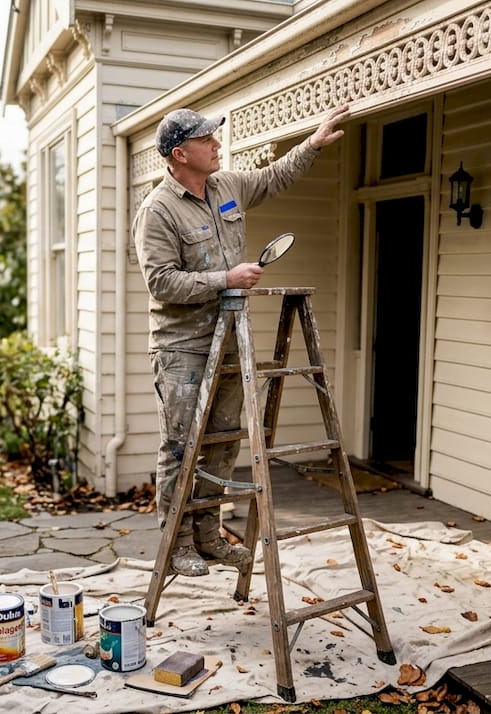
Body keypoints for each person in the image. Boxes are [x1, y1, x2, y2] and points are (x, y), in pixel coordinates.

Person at [133, 104, 351, 576]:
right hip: (183, 348)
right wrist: (224, 278)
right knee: (180, 446)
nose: (216, 144)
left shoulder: (228, 185)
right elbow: (162, 283)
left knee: (224, 441)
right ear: (180, 153)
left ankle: (209, 538)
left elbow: (274, 177)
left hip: (231, 340)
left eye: (215, 136)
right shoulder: (157, 210)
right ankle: (177, 547)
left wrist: (311, 144)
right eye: (207, 139)